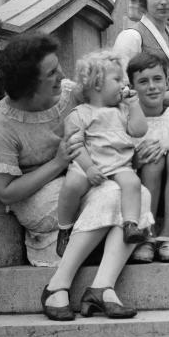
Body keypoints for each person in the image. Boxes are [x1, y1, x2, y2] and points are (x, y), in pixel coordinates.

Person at [0, 32, 151, 319]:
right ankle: (58, 284)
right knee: (116, 194)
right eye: (51, 72)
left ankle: (102, 286)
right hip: (39, 195)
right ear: (29, 85)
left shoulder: (71, 92)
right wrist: (59, 162)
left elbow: (111, 99)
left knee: (140, 193)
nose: (61, 73)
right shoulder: (1, 123)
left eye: (57, 66)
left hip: (87, 176)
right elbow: (6, 192)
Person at [56, 50, 148, 256]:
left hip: (118, 163)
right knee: (72, 185)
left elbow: (139, 130)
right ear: (97, 83)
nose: (124, 84)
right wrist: (88, 168)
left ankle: (131, 224)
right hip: (89, 163)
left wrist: (134, 106)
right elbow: (75, 145)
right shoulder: (80, 113)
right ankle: (65, 229)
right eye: (117, 79)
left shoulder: (123, 110)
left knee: (132, 183)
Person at [126, 51, 169, 263]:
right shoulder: (125, 119)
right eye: (143, 81)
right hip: (140, 194)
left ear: (167, 82)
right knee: (153, 158)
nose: (152, 86)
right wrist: (137, 159)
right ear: (132, 87)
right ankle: (147, 236)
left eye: (157, 79)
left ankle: (167, 236)